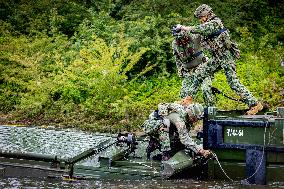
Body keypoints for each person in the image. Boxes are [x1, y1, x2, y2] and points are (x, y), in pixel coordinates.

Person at [176, 4, 263, 115]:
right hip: (216, 57)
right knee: (199, 73)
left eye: (201, 17)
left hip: (226, 56)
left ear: (207, 14)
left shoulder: (215, 23)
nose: (200, 20)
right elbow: (198, 33)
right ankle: (188, 99)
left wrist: (184, 27)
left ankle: (255, 104)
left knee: (233, 82)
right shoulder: (207, 23)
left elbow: (202, 29)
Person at [142, 102, 211, 160]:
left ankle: (156, 143)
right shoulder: (179, 119)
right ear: (191, 115)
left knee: (179, 144)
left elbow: (184, 136)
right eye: (196, 118)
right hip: (151, 125)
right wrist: (200, 150)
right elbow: (184, 138)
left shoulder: (185, 117)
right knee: (165, 124)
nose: (196, 121)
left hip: (163, 129)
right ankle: (165, 153)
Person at [172, 28, 215, 107]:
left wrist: (187, 28)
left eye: (183, 36)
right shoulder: (175, 44)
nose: (182, 39)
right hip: (188, 72)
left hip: (202, 69)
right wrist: (180, 69)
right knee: (183, 94)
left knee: (206, 89)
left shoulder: (195, 37)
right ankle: (186, 113)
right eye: (179, 38)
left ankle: (211, 111)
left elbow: (203, 30)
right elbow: (177, 57)